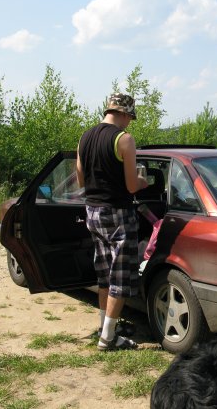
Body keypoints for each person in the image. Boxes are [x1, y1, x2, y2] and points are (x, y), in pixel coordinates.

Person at [76, 93, 148, 351]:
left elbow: (81, 179)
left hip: (93, 212)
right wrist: (144, 181)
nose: (129, 123)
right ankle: (108, 339)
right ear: (125, 114)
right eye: (130, 118)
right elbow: (131, 186)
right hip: (118, 213)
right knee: (120, 276)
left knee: (104, 275)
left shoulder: (85, 137)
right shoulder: (124, 139)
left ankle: (105, 327)